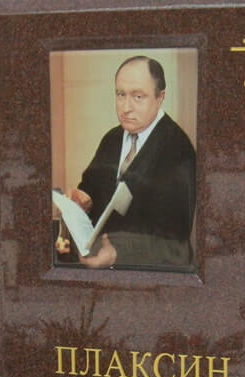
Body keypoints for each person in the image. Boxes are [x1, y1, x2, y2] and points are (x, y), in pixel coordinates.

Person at [67, 55, 196, 269]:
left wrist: (117, 254)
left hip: (151, 278)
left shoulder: (178, 150)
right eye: (120, 94)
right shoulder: (112, 138)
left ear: (160, 97)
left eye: (138, 96)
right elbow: (91, 187)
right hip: (102, 269)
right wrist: (84, 201)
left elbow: (175, 244)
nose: (126, 107)